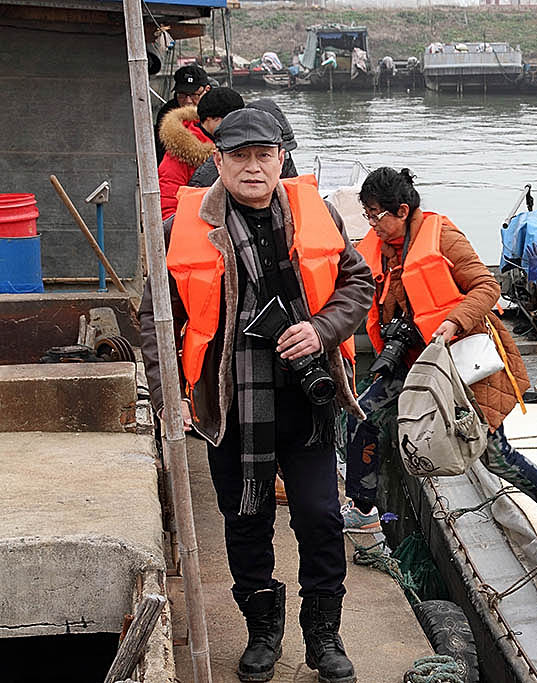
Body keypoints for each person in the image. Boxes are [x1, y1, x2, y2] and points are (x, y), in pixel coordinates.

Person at [139, 108, 374, 683]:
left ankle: (323, 636)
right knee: (246, 520)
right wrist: (165, 389)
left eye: (262, 155)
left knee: (320, 518)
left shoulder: (315, 216)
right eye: (238, 156)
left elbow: (358, 282)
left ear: (280, 160)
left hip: (308, 401)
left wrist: (321, 329)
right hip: (232, 405)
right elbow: (154, 317)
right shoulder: (185, 229)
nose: (252, 167)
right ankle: (263, 634)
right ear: (217, 162)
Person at [343, 167, 537, 553]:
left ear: (402, 211)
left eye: (375, 215)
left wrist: (453, 321)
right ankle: (362, 506)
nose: (371, 223)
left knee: (494, 456)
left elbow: (487, 286)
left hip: (461, 364)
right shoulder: (379, 247)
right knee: (365, 417)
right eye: (367, 215)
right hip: (408, 359)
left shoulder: (443, 237)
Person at [158, 87, 244, 219]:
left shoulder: (235, 144)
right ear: (209, 119)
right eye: (229, 121)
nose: (236, 127)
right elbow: (168, 205)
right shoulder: (180, 153)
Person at [189, 98, 299, 188]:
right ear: (219, 160)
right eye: (240, 155)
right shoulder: (205, 180)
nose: (253, 168)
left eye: (264, 154)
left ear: (280, 157)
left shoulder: (286, 160)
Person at [154, 64, 211, 164]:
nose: (188, 101)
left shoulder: (218, 108)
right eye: (182, 95)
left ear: (207, 90)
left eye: (194, 95)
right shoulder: (166, 113)